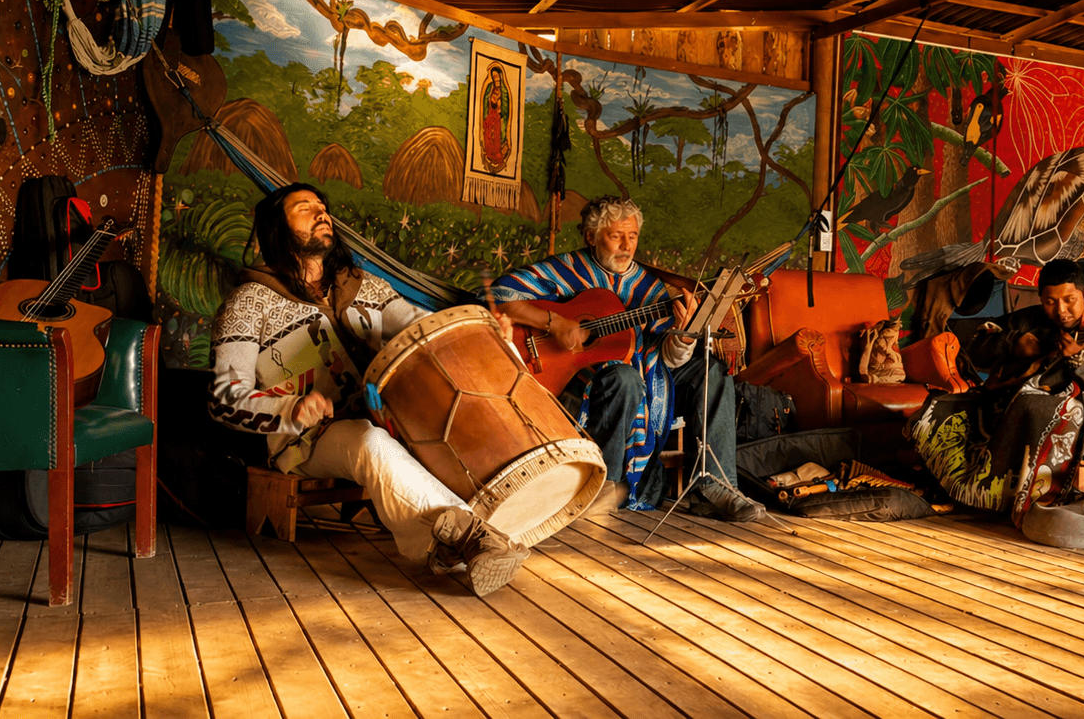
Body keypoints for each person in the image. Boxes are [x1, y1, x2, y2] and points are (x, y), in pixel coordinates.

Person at [209, 183, 530, 595]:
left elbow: (426, 332)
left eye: (323, 207)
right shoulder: (249, 302)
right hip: (309, 441)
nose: (320, 213)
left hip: (391, 422)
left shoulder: (366, 288)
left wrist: (481, 335)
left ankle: (476, 533)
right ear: (276, 227)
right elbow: (222, 398)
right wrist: (291, 408)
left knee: (445, 418)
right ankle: (468, 537)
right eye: (305, 208)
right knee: (368, 440)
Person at [493, 196, 764, 521]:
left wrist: (682, 334)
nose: (626, 246)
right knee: (623, 377)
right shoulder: (567, 270)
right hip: (575, 377)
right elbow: (498, 297)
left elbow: (671, 360)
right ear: (591, 237)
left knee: (713, 371)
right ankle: (602, 484)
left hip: (651, 372)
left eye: (632, 236)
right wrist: (555, 323)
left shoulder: (650, 289)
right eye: (615, 236)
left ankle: (713, 485)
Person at [908, 260, 1084, 528]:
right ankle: (957, 491)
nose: (1061, 310)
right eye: (1050, 302)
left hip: (1077, 421)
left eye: (1069, 300)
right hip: (1006, 402)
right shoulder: (1032, 320)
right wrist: (1014, 345)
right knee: (943, 404)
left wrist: (1082, 365)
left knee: (1036, 407)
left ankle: (1026, 500)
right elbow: (975, 346)